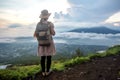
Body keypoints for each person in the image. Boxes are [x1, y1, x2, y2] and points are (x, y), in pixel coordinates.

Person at [33, 9, 56, 76]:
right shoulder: (50, 24)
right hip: (49, 42)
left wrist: (41, 36)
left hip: (41, 43)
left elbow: (35, 35)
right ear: (47, 16)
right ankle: (48, 71)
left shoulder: (38, 24)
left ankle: (43, 72)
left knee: (42, 58)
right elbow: (53, 33)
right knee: (49, 57)